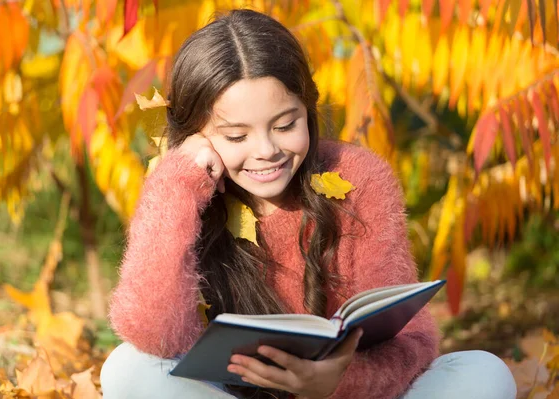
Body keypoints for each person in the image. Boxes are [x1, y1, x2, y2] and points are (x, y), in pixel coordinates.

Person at [100, 8, 517, 399]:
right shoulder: (180, 191)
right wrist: (176, 183)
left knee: (482, 370)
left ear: (308, 109)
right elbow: (153, 334)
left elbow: (413, 343)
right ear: (196, 135)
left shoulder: (358, 178)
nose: (266, 150)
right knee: (126, 368)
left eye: (285, 125)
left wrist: (335, 382)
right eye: (236, 136)